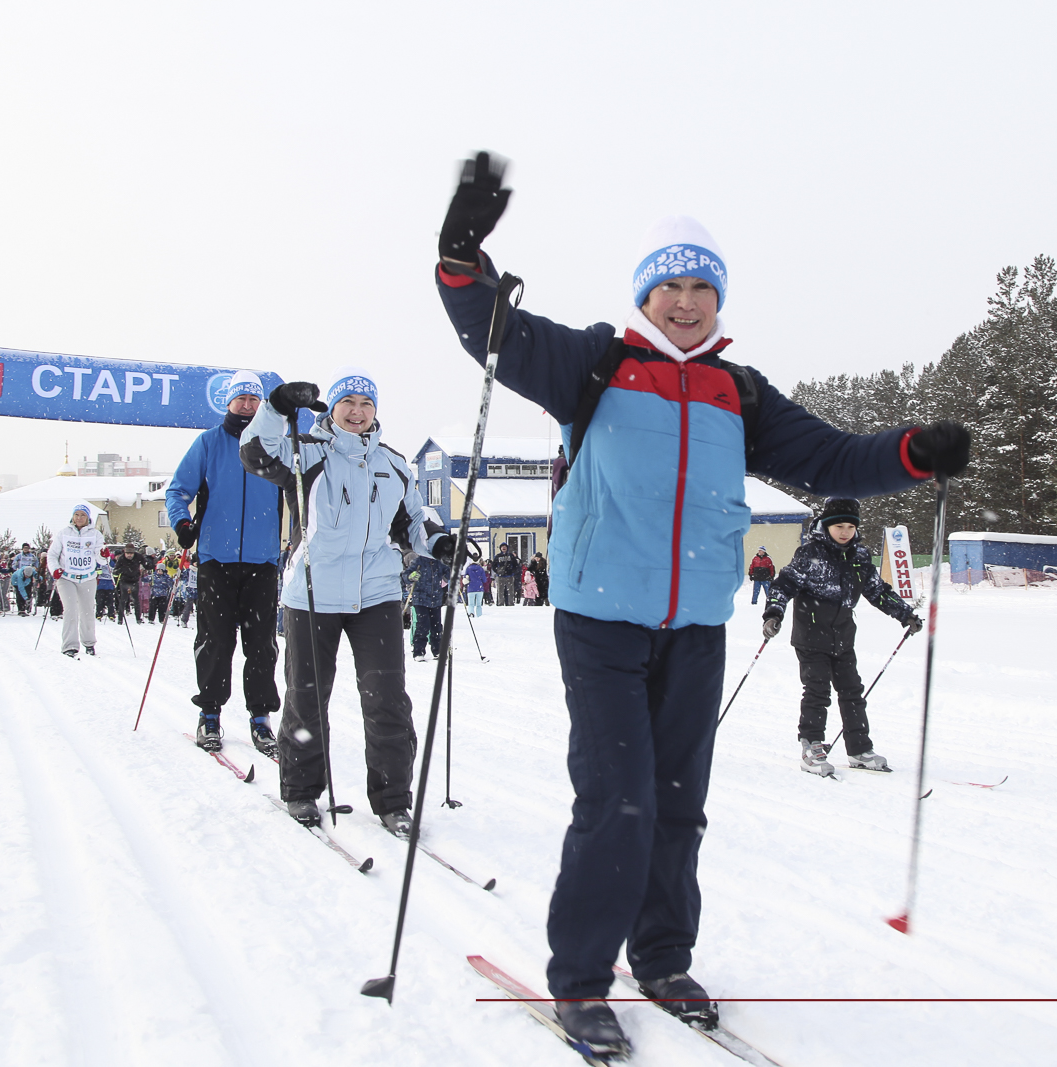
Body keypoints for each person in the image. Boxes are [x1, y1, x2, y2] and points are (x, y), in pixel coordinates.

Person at [433, 152, 971, 1055]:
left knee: (679, 799)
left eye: (702, 287)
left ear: (719, 300)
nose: (686, 301)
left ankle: (663, 954)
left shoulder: (739, 392)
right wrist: (460, 255)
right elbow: (498, 334)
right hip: (600, 616)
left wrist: (916, 451)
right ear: (645, 294)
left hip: (693, 624)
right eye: (671, 285)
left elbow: (834, 460)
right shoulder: (595, 362)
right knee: (619, 796)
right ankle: (580, 979)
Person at [240, 367, 457, 836]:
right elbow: (255, 453)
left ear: (375, 413)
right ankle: (300, 792)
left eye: (366, 405)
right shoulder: (304, 452)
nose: (357, 413)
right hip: (313, 592)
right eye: (347, 404)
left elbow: (412, 522)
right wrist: (277, 407)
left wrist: (438, 542)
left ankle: (393, 800)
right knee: (306, 698)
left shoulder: (394, 463)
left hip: (376, 593)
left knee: (387, 702)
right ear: (332, 410)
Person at [167, 369, 285, 757]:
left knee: (262, 645)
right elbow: (178, 490)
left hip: (263, 561)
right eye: (242, 399)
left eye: (254, 400)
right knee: (215, 641)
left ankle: (260, 717)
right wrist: (182, 523)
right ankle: (211, 714)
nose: (248, 406)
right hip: (216, 559)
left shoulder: (275, 443)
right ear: (228, 402)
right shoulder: (209, 443)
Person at [762, 499, 921, 776]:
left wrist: (904, 614)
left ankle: (859, 749)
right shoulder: (810, 553)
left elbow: (877, 591)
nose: (845, 531)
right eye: (839, 526)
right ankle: (811, 746)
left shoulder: (859, 556)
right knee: (817, 691)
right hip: (811, 636)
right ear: (827, 525)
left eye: (850, 526)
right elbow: (783, 584)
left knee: (852, 692)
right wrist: (773, 614)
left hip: (843, 637)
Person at [50, 503, 103, 656]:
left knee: (87, 611)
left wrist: (103, 554)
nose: (79, 518)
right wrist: (55, 569)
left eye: (83, 515)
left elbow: (100, 557)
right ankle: (69, 646)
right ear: (72, 517)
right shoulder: (63, 533)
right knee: (70, 610)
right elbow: (52, 555)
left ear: (88, 518)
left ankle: (89, 643)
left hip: (87, 577)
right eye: (76, 515)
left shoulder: (95, 534)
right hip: (67, 577)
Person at [405, 554, 449, 661]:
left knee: (436, 626)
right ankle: (418, 651)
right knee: (423, 625)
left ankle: (438, 650)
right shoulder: (418, 561)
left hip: (436, 599)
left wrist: (450, 572)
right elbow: (406, 575)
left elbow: (448, 572)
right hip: (420, 598)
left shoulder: (439, 562)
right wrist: (410, 577)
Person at [112, 544, 145, 623]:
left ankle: (138, 618)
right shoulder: (121, 558)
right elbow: (115, 571)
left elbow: (146, 564)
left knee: (136, 600)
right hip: (124, 580)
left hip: (135, 580)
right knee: (123, 600)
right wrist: (121, 570)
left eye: (131, 554)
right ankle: (120, 619)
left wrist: (150, 565)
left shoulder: (138, 557)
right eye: (128, 554)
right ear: (125, 553)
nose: (129, 555)